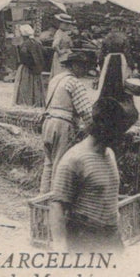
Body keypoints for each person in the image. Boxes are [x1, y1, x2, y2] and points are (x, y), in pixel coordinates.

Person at [49, 97, 134, 252]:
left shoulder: (109, 154)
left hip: (111, 235)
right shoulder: (74, 159)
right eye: (118, 132)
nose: (122, 138)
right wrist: (61, 248)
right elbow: (57, 206)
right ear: (105, 129)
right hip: (85, 237)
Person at [40, 51, 95, 193]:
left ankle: (43, 197)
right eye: (83, 67)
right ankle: (55, 202)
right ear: (75, 66)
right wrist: (94, 129)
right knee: (60, 165)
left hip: (48, 122)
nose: (85, 71)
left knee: (49, 164)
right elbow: (86, 112)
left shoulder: (55, 79)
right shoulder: (74, 83)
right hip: (62, 124)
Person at [14, 24, 46, 108]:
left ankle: (25, 103)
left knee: (26, 85)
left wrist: (28, 64)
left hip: (27, 68)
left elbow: (24, 56)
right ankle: (36, 102)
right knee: (35, 85)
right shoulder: (37, 42)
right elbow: (43, 53)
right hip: (36, 68)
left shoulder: (25, 44)